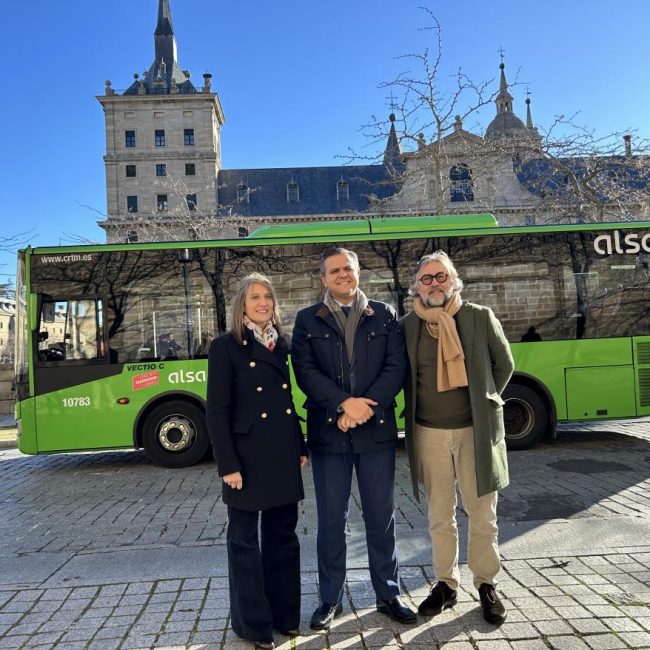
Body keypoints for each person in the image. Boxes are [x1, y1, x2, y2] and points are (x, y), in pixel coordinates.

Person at [291, 246, 416, 631]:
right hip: (329, 436)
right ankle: (330, 598)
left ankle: (389, 592)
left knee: (381, 518)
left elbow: (396, 367)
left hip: (375, 433)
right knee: (331, 521)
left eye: (348, 268)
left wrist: (366, 407)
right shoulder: (307, 319)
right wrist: (344, 404)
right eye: (334, 270)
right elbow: (305, 371)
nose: (343, 275)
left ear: (359, 272)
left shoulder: (384, 314)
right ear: (324, 278)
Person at [400, 251, 514, 625]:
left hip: (475, 433)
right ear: (416, 286)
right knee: (439, 515)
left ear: (454, 280)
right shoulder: (407, 326)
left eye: (441, 276)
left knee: (482, 513)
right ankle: (446, 584)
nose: (435, 284)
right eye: (427, 278)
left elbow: (504, 364)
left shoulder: (478, 317)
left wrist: (484, 402)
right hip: (428, 433)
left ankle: (486, 584)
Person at [206, 273, 308, 650]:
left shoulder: (281, 344)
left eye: (268, 296)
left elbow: (287, 403)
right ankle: (253, 625)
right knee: (245, 543)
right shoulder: (225, 347)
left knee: (284, 538)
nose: (263, 302)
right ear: (242, 306)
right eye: (254, 297)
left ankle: (286, 616)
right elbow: (217, 413)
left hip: (281, 453)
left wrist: (300, 444)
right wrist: (227, 465)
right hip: (245, 461)